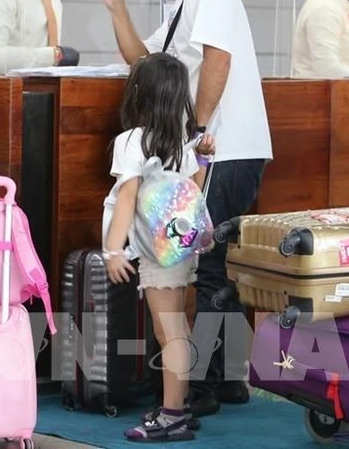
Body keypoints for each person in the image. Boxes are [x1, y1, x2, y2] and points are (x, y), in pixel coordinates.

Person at [96, 0, 271, 417]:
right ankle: (227, 378)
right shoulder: (182, 0)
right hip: (216, 148)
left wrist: (195, 130)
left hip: (227, 148)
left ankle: (203, 385)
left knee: (208, 265)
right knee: (219, 266)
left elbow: (219, 59)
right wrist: (118, 8)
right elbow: (143, 63)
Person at [102, 53, 215, 443]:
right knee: (176, 328)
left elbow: (127, 199)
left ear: (138, 93)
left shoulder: (131, 141)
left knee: (169, 333)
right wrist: (202, 159)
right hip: (180, 251)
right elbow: (194, 192)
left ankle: (172, 417)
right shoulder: (182, 146)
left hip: (155, 252)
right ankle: (178, 405)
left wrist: (113, 250)